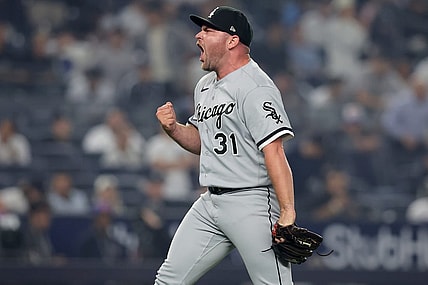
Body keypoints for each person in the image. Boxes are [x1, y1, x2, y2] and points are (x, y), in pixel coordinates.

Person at [155, 6, 296, 284]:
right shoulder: (205, 85)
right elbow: (202, 142)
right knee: (167, 281)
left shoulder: (256, 87)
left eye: (208, 30)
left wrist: (287, 211)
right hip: (210, 203)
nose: (198, 35)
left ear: (232, 40)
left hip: (251, 202)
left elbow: (275, 151)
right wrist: (173, 129)